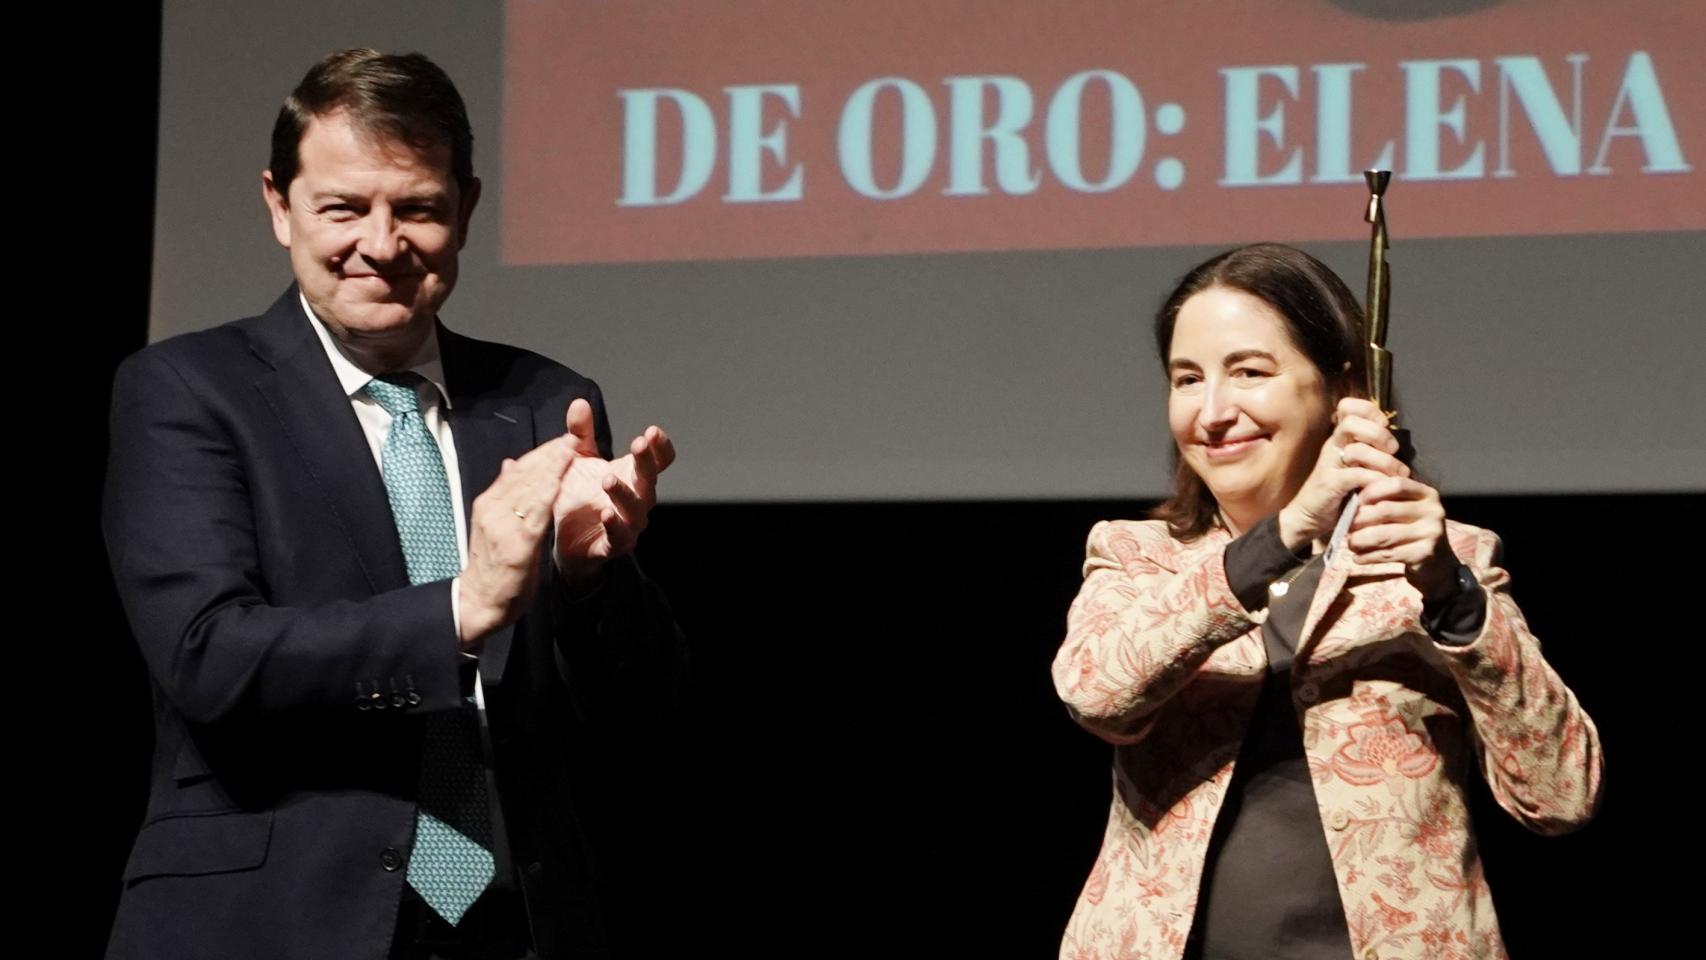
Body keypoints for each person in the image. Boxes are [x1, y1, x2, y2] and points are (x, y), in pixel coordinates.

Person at [103, 48, 685, 959]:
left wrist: (590, 583)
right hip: (274, 924)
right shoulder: (187, 390)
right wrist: (460, 609)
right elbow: (208, 658)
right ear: (277, 204)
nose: (381, 244)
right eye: (343, 208)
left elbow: (643, 713)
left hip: (513, 924)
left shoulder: (544, 403)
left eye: (417, 208)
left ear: (467, 209)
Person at [1052, 243, 1602, 960]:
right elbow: (1098, 695)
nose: (1213, 412)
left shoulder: (1447, 561)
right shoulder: (1138, 555)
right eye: (1187, 379)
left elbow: (1559, 795)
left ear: (1345, 389)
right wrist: (1279, 538)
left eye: (1249, 372)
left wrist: (1453, 600)